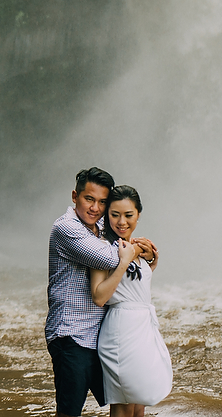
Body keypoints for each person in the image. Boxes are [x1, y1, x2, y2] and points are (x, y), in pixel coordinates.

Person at [46, 168, 157, 417]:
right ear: (75, 196)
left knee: (130, 403)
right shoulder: (67, 228)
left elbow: (121, 238)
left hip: (99, 337)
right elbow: (109, 256)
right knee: (70, 412)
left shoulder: (97, 227)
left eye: (102, 202)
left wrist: (147, 257)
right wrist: (140, 248)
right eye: (89, 199)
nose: (95, 207)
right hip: (71, 336)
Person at [89, 186, 172, 416]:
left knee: (138, 403)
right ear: (107, 215)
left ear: (138, 215)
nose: (121, 222)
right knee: (124, 403)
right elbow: (99, 296)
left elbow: (132, 288)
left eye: (128, 215)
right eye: (114, 215)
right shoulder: (103, 247)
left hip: (143, 329)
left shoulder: (135, 247)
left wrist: (150, 265)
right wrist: (128, 258)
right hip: (121, 332)